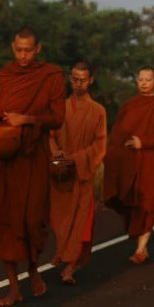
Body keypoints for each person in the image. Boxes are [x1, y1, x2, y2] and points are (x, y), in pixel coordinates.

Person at [0, 27, 66, 306]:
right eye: (19, 50)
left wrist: (27, 119)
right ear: (12, 47)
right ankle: (13, 286)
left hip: (32, 156)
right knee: (5, 220)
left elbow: (58, 117)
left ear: (38, 48)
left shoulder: (51, 75)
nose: (23, 55)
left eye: (28, 50)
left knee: (31, 217)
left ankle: (34, 271)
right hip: (5, 156)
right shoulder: (5, 74)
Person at [103, 66, 154, 264]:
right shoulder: (130, 105)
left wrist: (143, 142)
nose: (143, 83)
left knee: (149, 201)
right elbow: (118, 133)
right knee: (132, 200)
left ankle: (141, 248)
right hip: (129, 160)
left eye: (148, 79)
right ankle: (140, 241)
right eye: (140, 79)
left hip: (153, 160)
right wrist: (111, 153)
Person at [48, 61, 107, 285]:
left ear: (90, 80)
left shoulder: (98, 111)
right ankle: (63, 255)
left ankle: (70, 268)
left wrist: (77, 159)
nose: (78, 84)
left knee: (82, 224)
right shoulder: (60, 108)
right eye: (74, 79)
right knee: (61, 221)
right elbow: (50, 136)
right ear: (69, 79)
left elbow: (100, 145)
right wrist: (57, 154)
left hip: (83, 174)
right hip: (62, 174)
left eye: (83, 79)